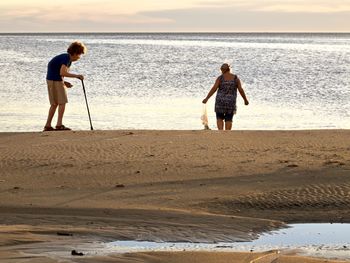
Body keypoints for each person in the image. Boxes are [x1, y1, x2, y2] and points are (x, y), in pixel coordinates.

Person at [43, 41, 86, 131]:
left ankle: (48, 125)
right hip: (54, 81)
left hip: (52, 80)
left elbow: (58, 72)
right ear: (75, 53)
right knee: (62, 102)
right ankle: (59, 125)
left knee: (54, 104)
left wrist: (64, 82)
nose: (79, 57)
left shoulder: (65, 57)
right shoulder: (66, 59)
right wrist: (77, 76)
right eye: (79, 55)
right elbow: (62, 72)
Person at [202, 63, 249, 130]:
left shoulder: (220, 78)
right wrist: (245, 100)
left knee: (219, 117)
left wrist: (207, 98)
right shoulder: (235, 78)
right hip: (230, 102)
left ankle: (221, 133)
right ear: (229, 69)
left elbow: (214, 88)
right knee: (229, 118)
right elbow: (240, 90)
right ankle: (227, 134)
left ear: (222, 70)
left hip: (220, 101)